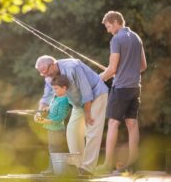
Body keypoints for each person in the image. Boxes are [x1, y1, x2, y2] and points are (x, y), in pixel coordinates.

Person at [34, 55, 108, 175]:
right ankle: (79, 166)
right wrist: (39, 111)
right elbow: (47, 95)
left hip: (96, 94)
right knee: (72, 130)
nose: (45, 75)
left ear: (53, 65)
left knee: (92, 130)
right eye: (41, 73)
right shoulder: (49, 77)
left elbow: (86, 90)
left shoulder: (73, 67)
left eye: (45, 72)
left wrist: (88, 113)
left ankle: (88, 168)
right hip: (78, 102)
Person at [95, 11, 147, 174]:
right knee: (132, 124)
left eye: (109, 26)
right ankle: (133, 164)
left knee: (113, 123)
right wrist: (126, 71)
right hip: (135, 87)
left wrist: (98, 78)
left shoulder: (116, 40)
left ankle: (107, 165)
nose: (109, 30)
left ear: (116, 22)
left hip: (122, 88)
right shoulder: (136, 38)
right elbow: (143, 66)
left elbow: (111, 70)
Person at [34, 75, 70, 175]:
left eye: (56, 89)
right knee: (52, 149)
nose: (54, 91)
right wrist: (47, 109)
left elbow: (59, 119)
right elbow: (52, 107)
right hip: (51, 129)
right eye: (53, 89)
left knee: (55, 151)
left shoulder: (64, 101)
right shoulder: (56, 97)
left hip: (57, 130)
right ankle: (53, 170)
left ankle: (54, 170)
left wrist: (45, 121)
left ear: (64, 88)